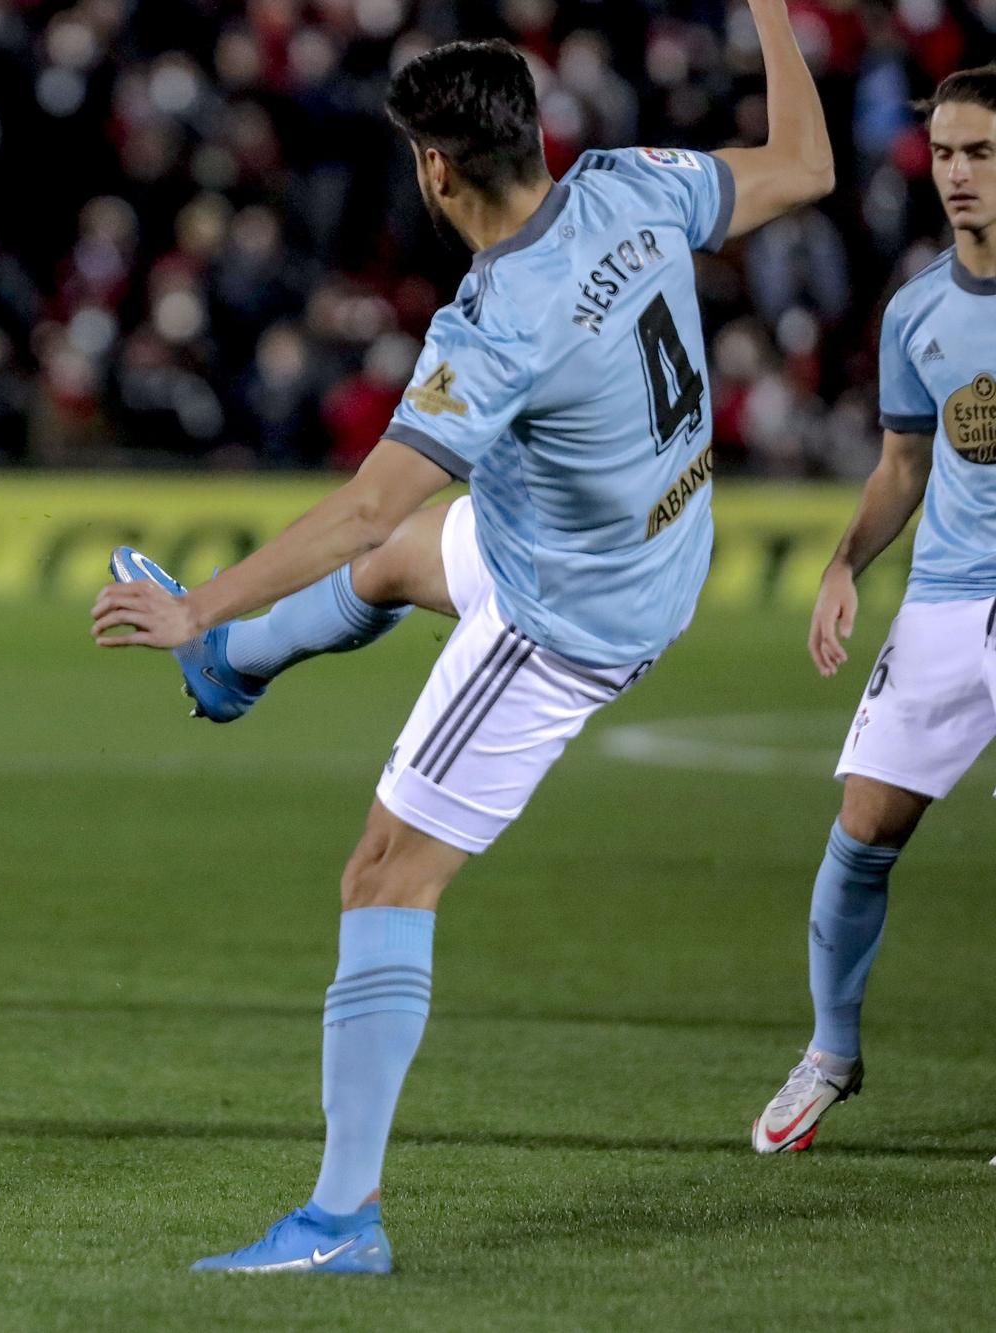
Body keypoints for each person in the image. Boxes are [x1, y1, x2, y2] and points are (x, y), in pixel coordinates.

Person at [91, 6, 832, 1273]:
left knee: (382, 874)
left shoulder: (492, 326)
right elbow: (807, 166)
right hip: (652, 542)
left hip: (564, 619)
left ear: (434, 167)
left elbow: (365, 496)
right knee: (396, 562)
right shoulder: (626, 184)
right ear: (533, 136)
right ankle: (233, 671)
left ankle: (341, 1218)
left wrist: (195, 596)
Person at [751, 65, 996, 1154]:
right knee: (859, 834)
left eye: (978, 154)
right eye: (942, 154)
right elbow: (903, 462)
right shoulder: (917, 309)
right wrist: (844, 559)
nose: (955, 176)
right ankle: (829, 1053)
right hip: (945, 601)